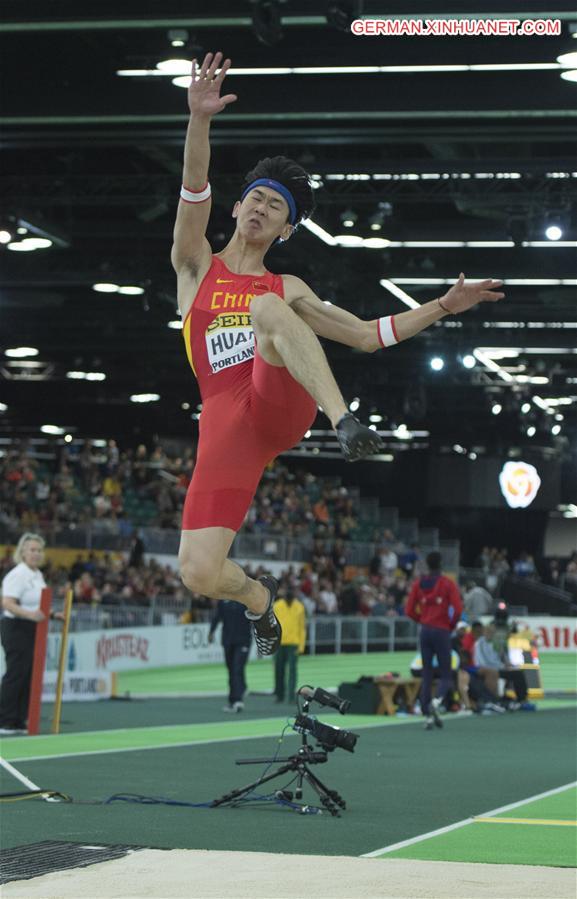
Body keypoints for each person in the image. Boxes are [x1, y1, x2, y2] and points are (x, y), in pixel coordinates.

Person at [172, 50, 506, 657]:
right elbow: (193, 187)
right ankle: (256, 599)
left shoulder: (288, 288)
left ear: (287, 230)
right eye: (255, 197)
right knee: (196, 571)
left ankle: (344, 420)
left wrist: (442, 306)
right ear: (237, 205)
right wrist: (200, 120)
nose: (261, 208)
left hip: (280, 404)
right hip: (225, 420)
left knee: (270, 310)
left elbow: (362, 334)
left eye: (276, 206)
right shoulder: (195, 266)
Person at [0, 533, 63, 735]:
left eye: (39, 550)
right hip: (16, 626)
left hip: (32, 627)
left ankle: (19, 719)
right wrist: (30, 614)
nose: (36, 554)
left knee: (28, 674)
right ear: (23, 552)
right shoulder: (18, 574)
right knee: (16, 673)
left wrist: (52, 614)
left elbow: (37, 604)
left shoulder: (37, 575)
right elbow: (7, 602)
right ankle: (5, 720)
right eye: (32, 550)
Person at [405, 552, 463, 730]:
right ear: (441, 564)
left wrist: (422, 619)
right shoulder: (447, 584)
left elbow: (408, 610)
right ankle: (437, 702)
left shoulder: (418, 584)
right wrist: (450, 625)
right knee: (446, 674)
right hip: (441, 630)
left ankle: (428, 716)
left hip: (425, 631)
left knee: (427, 673)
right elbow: (458, 608)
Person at [474, 621, 535, 709]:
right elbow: (484, 661)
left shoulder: (497, 643)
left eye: (493, 631)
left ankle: (522, 700)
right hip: (488, 669)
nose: (491, 633)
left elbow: (503, 658)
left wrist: (508, 665)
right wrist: (503, 666)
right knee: (509, 673)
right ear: (484, 631)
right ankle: (495, 700)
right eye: (488, 631)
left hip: (498, 668)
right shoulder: (480, 643)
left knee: (519, 673)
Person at [208, 599, 252, 713]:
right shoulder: (223, 601)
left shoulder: (246, 600)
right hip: (228, 641)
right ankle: (233, 699)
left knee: (237, 669)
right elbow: (217, 616)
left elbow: (256, 620)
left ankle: (238, 700)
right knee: (231, 670)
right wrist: (211, 632)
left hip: (243, 641)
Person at [273, 587, 306, 703]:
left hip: (293, 643)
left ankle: (291, 696)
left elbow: (302, 628)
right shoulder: (277, 606)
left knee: (292, 670)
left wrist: (301, 646)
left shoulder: (299, 607)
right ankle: (279, 694)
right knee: (279, 670)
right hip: (279, 642)